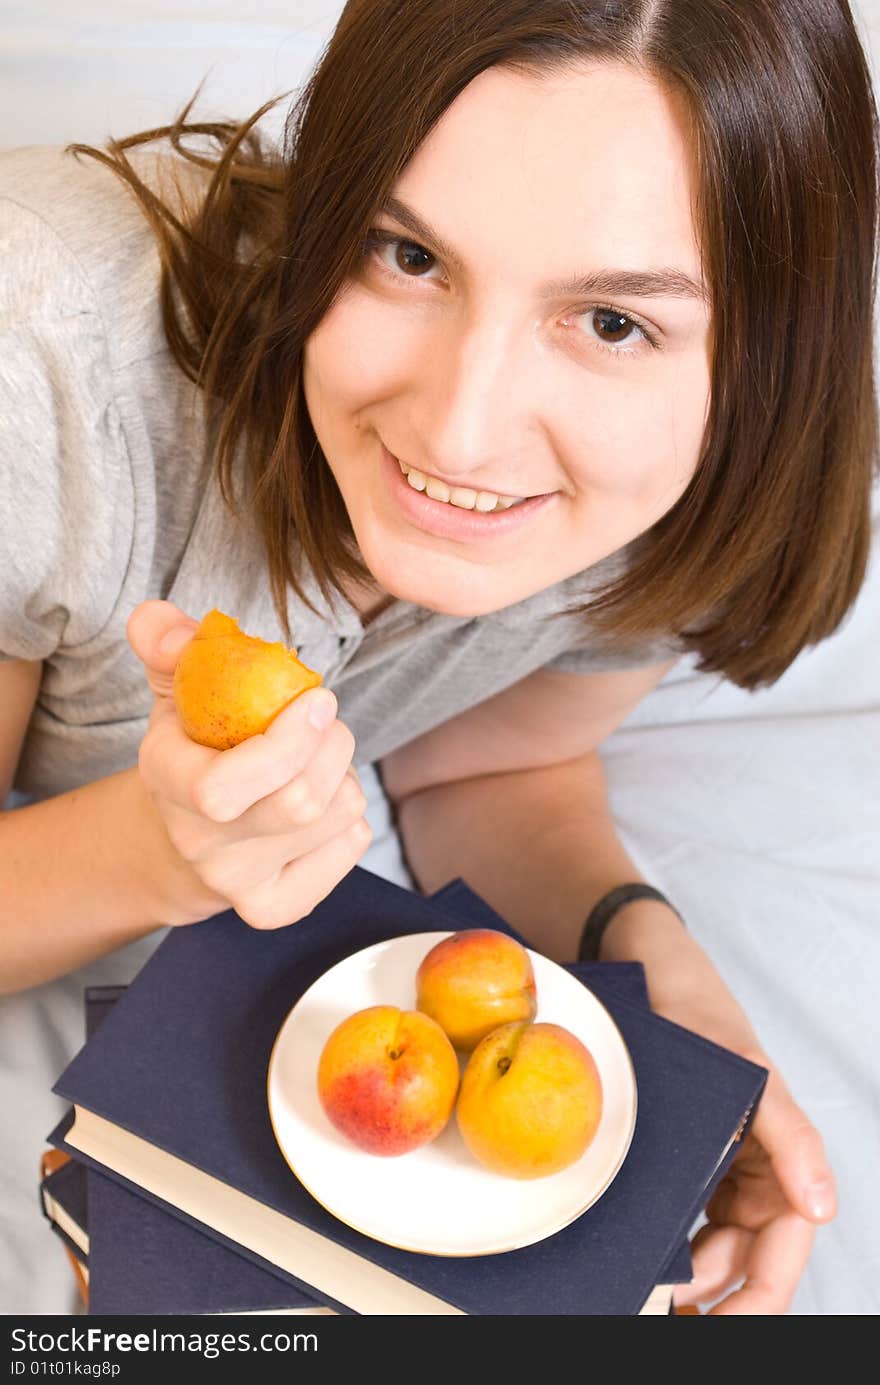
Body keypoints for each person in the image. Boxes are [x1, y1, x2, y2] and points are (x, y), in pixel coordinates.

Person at [0, 0, 876, 1315]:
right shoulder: (51, 361)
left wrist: (652, 970)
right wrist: (154, 849)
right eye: (404, 251)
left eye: (613, 324)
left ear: (758, 366)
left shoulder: (683, 481)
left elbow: (491, 762)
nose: (459, 437)